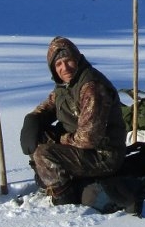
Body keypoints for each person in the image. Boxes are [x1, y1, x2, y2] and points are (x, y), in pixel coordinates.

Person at [19, 36, 127, 204]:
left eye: (68, 61)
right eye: (58, 64)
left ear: (77, 59)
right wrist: (32, 120)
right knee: (38, 135)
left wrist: (59, 139)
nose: (65, 68)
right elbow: (50, 105)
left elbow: (88, 138)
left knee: (44, 153)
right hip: (83, 148)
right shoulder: (65, 85)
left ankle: (64, 197)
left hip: (104, 155)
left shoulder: (91, 87)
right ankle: (53, 180)